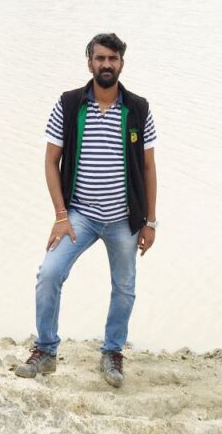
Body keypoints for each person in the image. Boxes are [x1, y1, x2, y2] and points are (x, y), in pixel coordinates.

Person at [16, 33, 158, 388]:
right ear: (89, 62)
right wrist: (61, 215)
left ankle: (112, 353)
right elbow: (51, 162)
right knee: (49, 274)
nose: (106, 64)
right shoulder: (68, 105)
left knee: (124, 288)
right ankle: (46, 351)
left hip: (125, 218)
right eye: (100, 58)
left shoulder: (138, 109)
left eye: (112, 58)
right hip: (78, 215)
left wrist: (150, 221)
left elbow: (149, 167)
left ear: (121, 63)